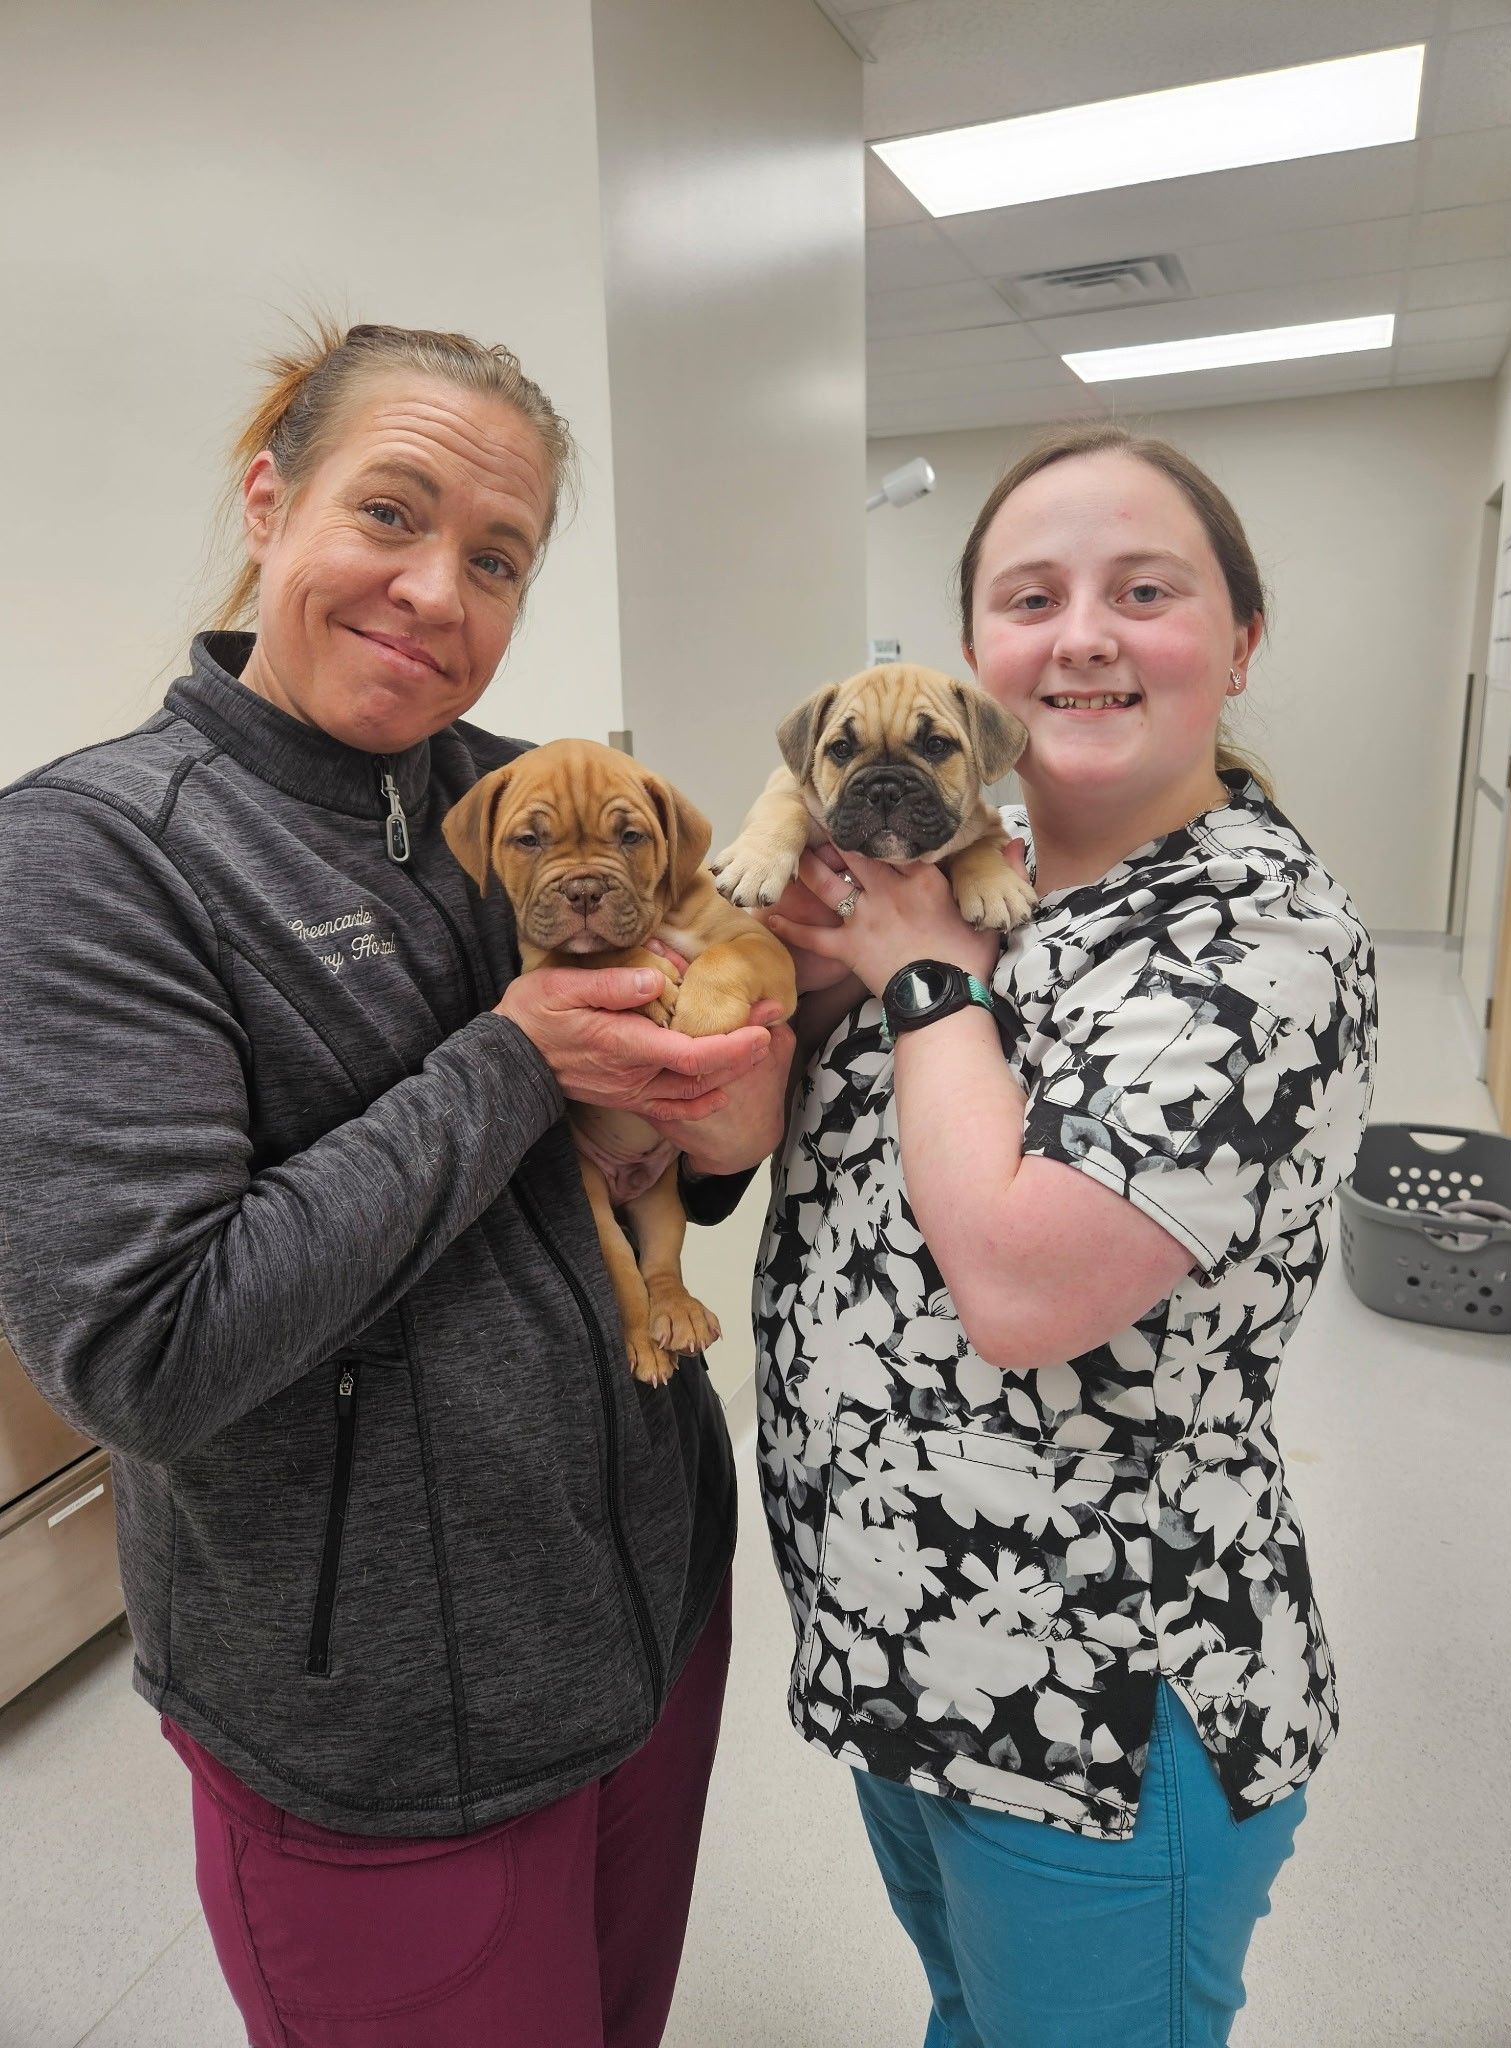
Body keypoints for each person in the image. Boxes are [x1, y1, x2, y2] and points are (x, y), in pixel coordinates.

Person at [0, 320, 792, 2048]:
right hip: (382, 1717)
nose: (438, 591)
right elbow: (140, 1349)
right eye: (392, 514)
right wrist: (515, 1063)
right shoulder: (91, 859)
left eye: (495, 557)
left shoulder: (519, 798)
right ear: (269, 500)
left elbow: (636, 1123)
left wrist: (707, 1128)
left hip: (649, 1608)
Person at [755, 423, 1377, 2048]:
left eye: (1146, 589)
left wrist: (914, 972)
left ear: (1240, 642)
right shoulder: (991, 880)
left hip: (1097, 1697)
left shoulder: (1255, 934)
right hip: (920, 1649)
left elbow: (1026, 1285)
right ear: (977, 671)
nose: (1084, 632)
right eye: (1032, 597)